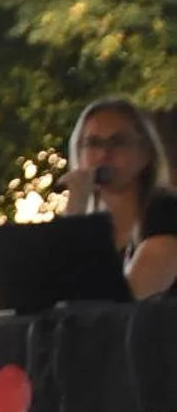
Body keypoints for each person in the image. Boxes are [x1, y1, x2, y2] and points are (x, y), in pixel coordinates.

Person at [62, 97, 177, 299]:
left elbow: (129, 301)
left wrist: (73, 221)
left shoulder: (167, 212)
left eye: (118, 143)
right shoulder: (95, 230)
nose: (104, 154)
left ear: (146, 154)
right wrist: (75, 208)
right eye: (93, 143)